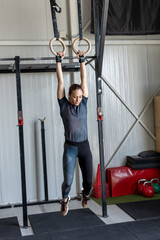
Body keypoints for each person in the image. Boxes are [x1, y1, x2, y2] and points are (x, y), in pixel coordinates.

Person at [56, 51, 92, 216]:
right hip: (70, 147)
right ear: (69, 96)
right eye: (75, 97)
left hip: (84, 147)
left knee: (89, 182)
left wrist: (82, 60)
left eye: (79, 96)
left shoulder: (84, 103)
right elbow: (61, 80)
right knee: (68, 182)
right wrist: (59, 61)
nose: (78, 99)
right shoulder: (63, 106)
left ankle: (85, 195)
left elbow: (84, 79)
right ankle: (65, 200)